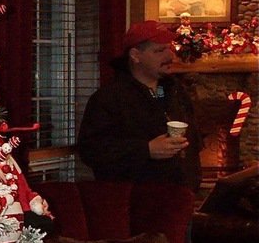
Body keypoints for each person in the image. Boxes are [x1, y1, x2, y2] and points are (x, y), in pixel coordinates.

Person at [77, 20, 201, 191]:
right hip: (133, 202)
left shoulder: (176, 91)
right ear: (135, 55)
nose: (169, 56)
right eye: (159, 50)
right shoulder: (109, 98)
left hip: (179, 198)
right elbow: (91, 150)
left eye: (169, 48)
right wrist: (146, 150)